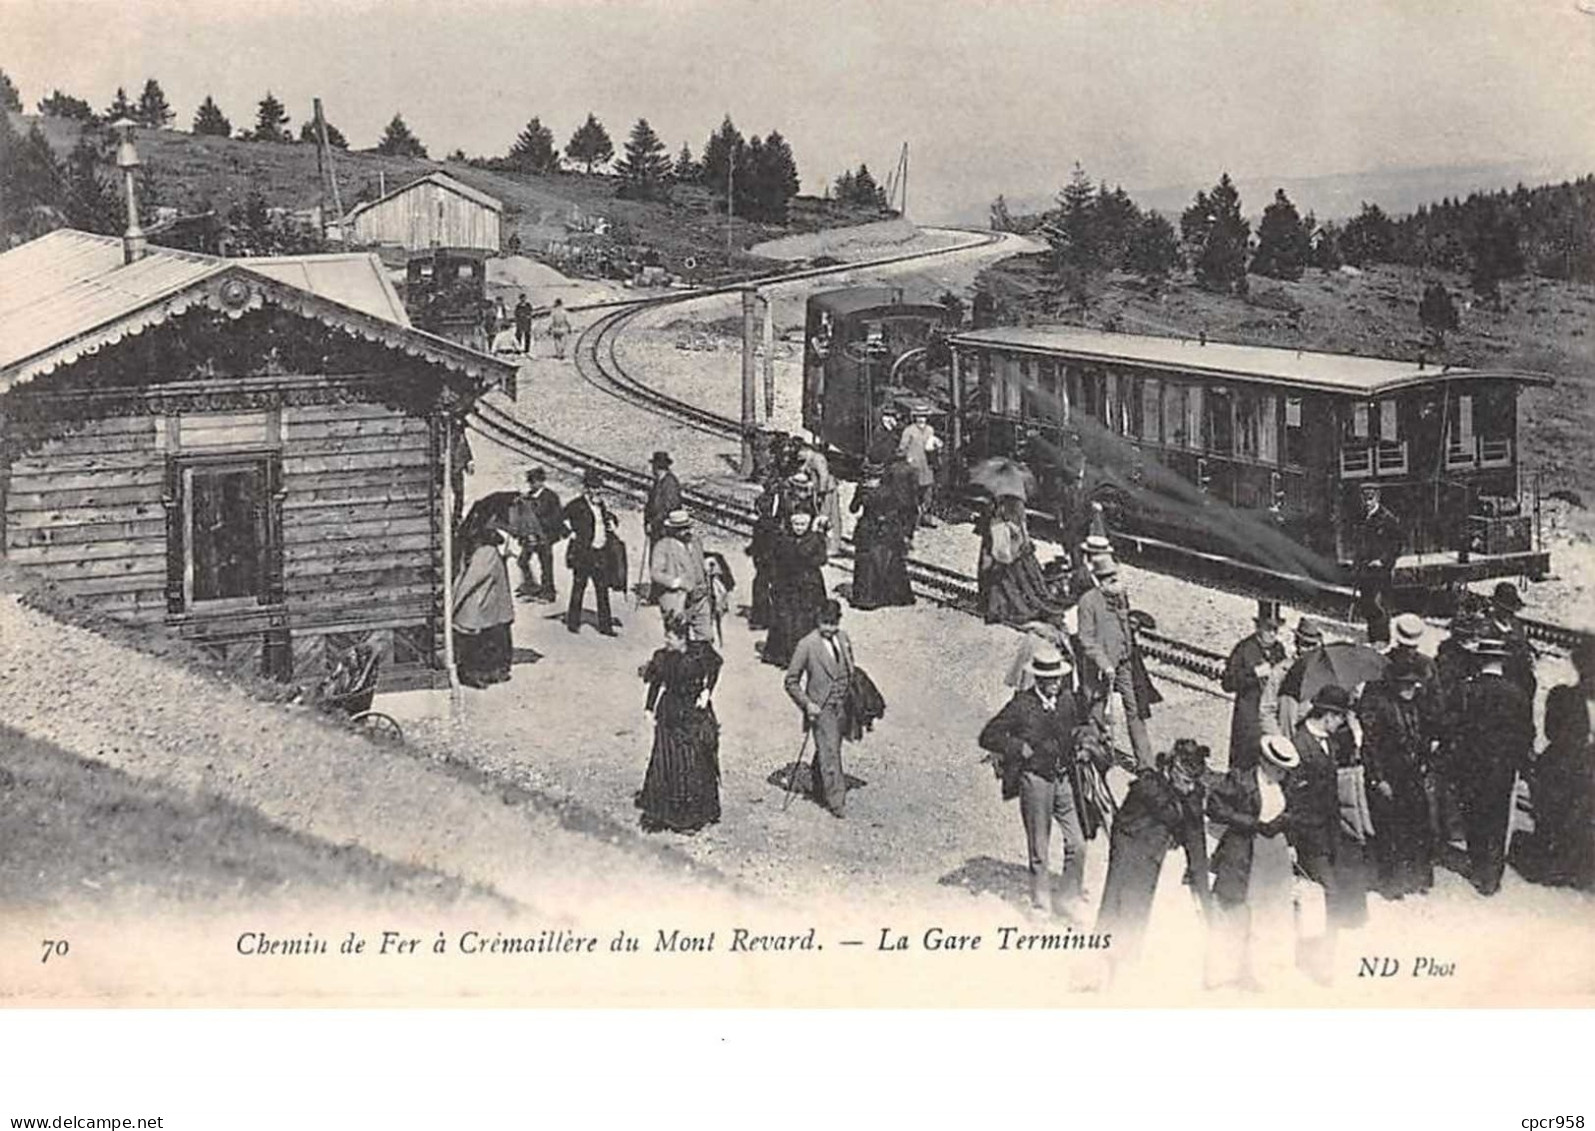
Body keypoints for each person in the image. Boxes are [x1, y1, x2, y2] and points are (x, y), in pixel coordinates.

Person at [978, 644, 1092, 918]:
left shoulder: (1067, 701)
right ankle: (1041, 906)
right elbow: (988, 736)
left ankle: (1068, 898)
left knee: (1077, 843)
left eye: (1059, 678)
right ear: (1039, 679)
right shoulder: (1021, 705)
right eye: (1050, 679)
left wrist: (1085, 743)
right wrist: (1019, 748)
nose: (1056, 683)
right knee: (1040, 848)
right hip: (1036, 781)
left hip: (1064, 779)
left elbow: (1082, 726)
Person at [1095, 739, 1213, 971]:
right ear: (1171, 769)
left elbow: (1196, 844)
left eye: (1194, 782)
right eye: (1186, 781)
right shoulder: (1148, 787)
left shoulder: (1192, 792)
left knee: (1149, 909)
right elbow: (1175, 817)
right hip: (1131, 844)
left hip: (1158, 851)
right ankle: (1106, 959)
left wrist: (1204, 894)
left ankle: (1133, 959)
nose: (1190, 787)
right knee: (1120, 903)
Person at [1205, 734, 1302, 991]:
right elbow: (1214, 807)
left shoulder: (1286, 783)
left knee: (1270, 915)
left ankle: (1259, 972)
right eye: (1278, 769)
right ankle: (1224, 972)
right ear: (1265, 763)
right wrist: (1251, 823)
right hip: (1243, 850)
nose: (1282, 774)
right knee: (1234, 910)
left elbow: (1293, 810)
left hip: (1275, 855)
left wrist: (1285, 833)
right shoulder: (1240, 780)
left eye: (1285, 770)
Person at [1288, 684, 1364, 980]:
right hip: (1308, 837)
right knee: (1326, 895)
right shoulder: (1299, 744)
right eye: (1341, 718)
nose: (1343, 723)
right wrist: (1291, 842)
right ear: (1329, 716)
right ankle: (1320, 964)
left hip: (1330, 833)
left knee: (1325, 896)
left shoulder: (1329, 742)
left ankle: (1317, 955)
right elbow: (1291, 799)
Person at [1452, 635, 1534, 896]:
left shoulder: (1468, 689)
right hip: (1503, 767)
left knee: (1474, 813)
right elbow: (1526, 733)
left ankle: (1477, 866)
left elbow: (1458, 728)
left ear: (1480, 661)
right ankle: (1492, 876)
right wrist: (1520, 765)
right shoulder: (1518, 694)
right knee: (1497, 818)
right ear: (1502, 662)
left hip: (1471, 764)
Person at [1358, 650, 1436, 899]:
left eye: (1414, 683)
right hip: (1390, 776)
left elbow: (1424, 736)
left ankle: (1417, 879)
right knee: (1390, 831)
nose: (1410, 688)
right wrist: (1378, 778)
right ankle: (1392, 884)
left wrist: (1425, 762)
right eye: (1405, 683)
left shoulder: (1417, 704)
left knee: (1418, 826)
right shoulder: (1380, 705)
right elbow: (1370, 746)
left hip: (1412, 774)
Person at [636, 614, 723, 834]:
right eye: (666, 636)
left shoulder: (700, 653)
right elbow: (655, 683)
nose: (667, 641)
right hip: (670, 712)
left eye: (671, 637)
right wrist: (648, 708)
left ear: (682, 638)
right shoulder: (662, 657)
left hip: (695, 710)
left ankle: (694, 814)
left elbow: (716, 665)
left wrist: (707, 690)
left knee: (695, 758)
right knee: (668, 760)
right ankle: (668, 813)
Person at [1075, 558, 1157, 770]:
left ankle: (1146, 764)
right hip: (1098, 667)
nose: (1118, 583)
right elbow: (1086, 639)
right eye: (1113, 579)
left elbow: (1123, 624)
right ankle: (1096, 756)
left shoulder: (1118, 596)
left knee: (1135, 710)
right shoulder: (1088, 602)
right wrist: (1104, 664)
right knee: (1097, 711)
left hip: (1123, 663)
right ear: (1101, 582)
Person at [1527, 637, 1595, 889]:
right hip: (1566, 766)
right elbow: (1553, 732)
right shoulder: (1562, 696)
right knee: (1557, 817)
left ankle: (1578, 869)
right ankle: (1551, 867)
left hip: (1588, 770)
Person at [783, 599, 856, 818]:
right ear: (817, 620)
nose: (829, 628)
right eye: (825, 623)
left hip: (842, 705)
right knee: (830, 754)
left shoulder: (843, 639)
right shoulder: (806, 645)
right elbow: (790, 681)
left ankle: (818, 786)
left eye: (833, 623)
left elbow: (848, 667)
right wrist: (807, 704)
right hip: (820, 709)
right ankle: (836, 802)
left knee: (829, 748)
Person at [1222, 601, 1291, 773]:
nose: (1273, 634)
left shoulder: (1278, 649)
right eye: (1269, 629)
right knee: (1243, 763)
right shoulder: (1244, 649)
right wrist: (1254, 674)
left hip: (1267, 717)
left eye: (1276, 630)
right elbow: (1228, 683)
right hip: (1248, 718)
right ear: (1258, 627)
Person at [451, 522, 515, 689]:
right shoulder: (485, 552)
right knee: (487, 640)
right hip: (488, 606)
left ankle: (476, 674)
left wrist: (453, 603)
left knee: (475, 641)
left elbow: (471, 580)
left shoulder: (485, 553)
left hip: (480, 605)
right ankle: (490, 673)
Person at [763, 511, 828, 667]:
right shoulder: (784, 539)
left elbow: (822, 559)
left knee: (805, 620)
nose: (799, 528)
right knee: (785, 619)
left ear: (808, 525)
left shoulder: (815, 539)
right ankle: (784, 656)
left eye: (802, 525)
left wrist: (805, 559)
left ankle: (807, 656)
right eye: (796, 524)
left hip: (808, 585)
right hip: (786, 585)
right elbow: (775, 560)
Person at [978, 495, 1055, 626]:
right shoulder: (1014, 500)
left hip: (1003, 542)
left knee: (998, 576)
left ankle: (993, 605)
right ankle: (999, 607)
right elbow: (1020, 523)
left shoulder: (1002, 500)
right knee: (1006, 577)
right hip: (1006, 542)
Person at [848, 461, 914, 611]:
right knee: (888, 563)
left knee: (867, 564)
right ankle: (890, 596)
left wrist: (860, 495)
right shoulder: (889, 490)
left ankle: (867, 598)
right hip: (885, 531)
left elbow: (853, 508)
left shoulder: (866, 489)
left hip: (869, 530)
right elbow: (899, 509)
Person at [563, 469, 618, 636]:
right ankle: (573, 623)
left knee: (602, 589)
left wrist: (612, 524)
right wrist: (569, 533)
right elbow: (558, 518)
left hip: (600, 552)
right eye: (594, 488)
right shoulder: (576, 505)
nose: (597, 491)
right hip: (583, 553)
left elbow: (607, 519)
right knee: (579, 587)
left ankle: (606, 626)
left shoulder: (600, 504)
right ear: (586, 489)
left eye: (599, 488)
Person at [650, 510, 713, 643]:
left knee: (706, 638)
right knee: (678, 640)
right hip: (676, 599)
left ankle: (701, 663)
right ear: (672, 530)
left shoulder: (695, 542)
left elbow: (700, 560)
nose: (686, 531)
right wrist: (676, 582)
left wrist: (706, 565)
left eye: (687, 527)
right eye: (681, 529)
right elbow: (656, 574)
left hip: (699, 597)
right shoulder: (663, 546)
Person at [1353, 483, 1404, 644]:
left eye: (1370, 498)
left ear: (1377, 497)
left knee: (1379, 604)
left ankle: (1382, 639)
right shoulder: (1362, 517)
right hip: (1365, 569)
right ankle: (1373, 637)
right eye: (1364, 498)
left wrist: (1382, 560)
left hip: (1380, 570)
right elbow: (1359, 543)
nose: (1367, 502)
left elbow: (1397, 545)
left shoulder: (1387, 518)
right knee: (1368, 603)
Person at [510, 467, 565, 602]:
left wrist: (540, 523)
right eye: (530, 482)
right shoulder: (527, 496)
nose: (532, 485)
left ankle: (548, 593)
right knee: (522, 561)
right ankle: (530, 587)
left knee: (546, 564)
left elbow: (557, 517)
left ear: (541, 482)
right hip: (530, 536)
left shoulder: (551, 497)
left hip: (545, 536)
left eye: (534, 482)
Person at [1486, 581, 1538, 703]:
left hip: (1521, 676)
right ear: (1496, 606)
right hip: (1499, 677)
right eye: (1504, 610)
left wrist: (1529, 651)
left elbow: (1523, 642)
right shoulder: (1487, 626)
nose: (1508, 614)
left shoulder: (1516, 624)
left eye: (1510, 611)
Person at [1275, 618, 1328, 737]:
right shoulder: (1284, 670)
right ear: (1297, 643)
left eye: (1312, 645)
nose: (1309, 650)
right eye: (1305, 644)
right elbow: (1285, 719)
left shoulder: (1319, 672)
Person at [746, 476, 784, 631]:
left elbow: (758, 543)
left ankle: (761, 617)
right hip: (768, 556)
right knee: (771, 585)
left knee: (762, 584)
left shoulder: (761, 523)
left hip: (764, 557)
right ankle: (770, 615)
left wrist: (754, 551)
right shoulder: (772, 524)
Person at [798, 438, 843, 557]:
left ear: (806, 450)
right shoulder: (810, 459)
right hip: (821, 491)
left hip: (828, 491)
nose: (799, 456)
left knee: (829, 517)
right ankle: (825, 545)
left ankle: (833, 546)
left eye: (800, 453)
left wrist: (821, 493)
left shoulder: (817, 458)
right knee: (823, 517)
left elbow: (824, 476)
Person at [898, 407, 941, 526]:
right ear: (914, 417)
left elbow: (932, 445)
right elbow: (902, 447)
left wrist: (937, 445)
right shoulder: (909, 430)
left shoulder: (930, 430)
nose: (922, 419)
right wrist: (907, 457)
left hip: (927, 465)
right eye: (919, 416)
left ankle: (926, 518)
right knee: (914, 494)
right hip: (914, 466)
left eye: (924, 416)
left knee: (928, 494)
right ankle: (913, 521)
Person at [447, 419, 474, 534]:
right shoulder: (450, 438)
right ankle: (453, 518)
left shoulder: (460, 436)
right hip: (451, 470)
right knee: (454, 494)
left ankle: (457, 516)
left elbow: (465, 447)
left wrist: (469, 461)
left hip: (457, 469)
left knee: (459, 494)